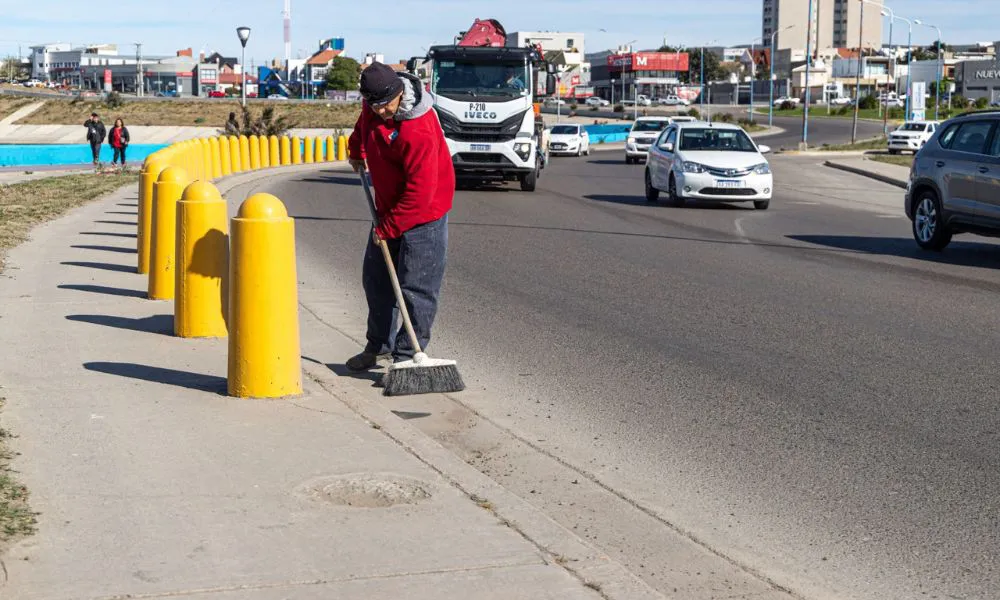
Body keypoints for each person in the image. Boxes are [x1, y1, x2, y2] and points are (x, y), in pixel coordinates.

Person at [345, 62, 455, 371]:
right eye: (374, 105)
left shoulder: (419, 128)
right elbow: (363, 125)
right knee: (377, 280)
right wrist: (356, 150)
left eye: (385, 105)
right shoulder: (373, 106)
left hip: (426, 214)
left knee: (417, 287)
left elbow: (420, 194)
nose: (380, 111)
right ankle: (378, 346)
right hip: (388, 208)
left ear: (399, 92)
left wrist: (389, 228)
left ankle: (407, 356)